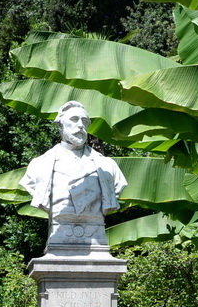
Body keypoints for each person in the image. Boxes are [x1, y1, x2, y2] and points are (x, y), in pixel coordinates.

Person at [21, 101, 127, 251]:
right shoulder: (40, 165)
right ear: (60, 125)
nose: (80, 126)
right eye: (74, 119)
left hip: (96, 238)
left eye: (85, 121)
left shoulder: (108, 166)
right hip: (58, 234)